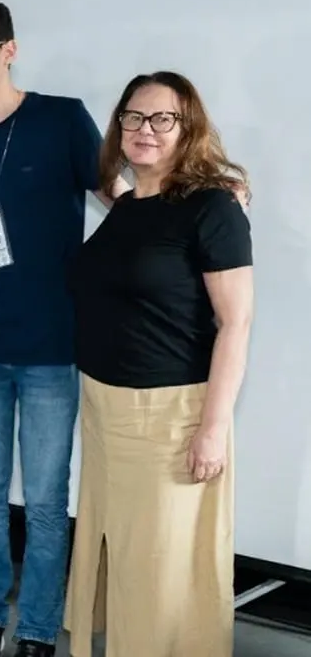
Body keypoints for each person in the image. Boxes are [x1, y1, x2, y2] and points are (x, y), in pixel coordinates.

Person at [0, 0, 128, 657]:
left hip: (48, 347)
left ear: (8, 50)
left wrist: (202, 200)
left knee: (44, 500)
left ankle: (38, 629)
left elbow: (121, 198)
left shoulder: (62, 119)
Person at [65, 72, 252, 657]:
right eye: (133, 117)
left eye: (162, 118)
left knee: (160, 568)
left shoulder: (213, 208)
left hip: (169, 418)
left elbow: (236, 324)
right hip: (105, 412)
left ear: (188, 128)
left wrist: (212, 430)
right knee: (123, 558)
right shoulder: (128, 205)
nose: (144, 129)